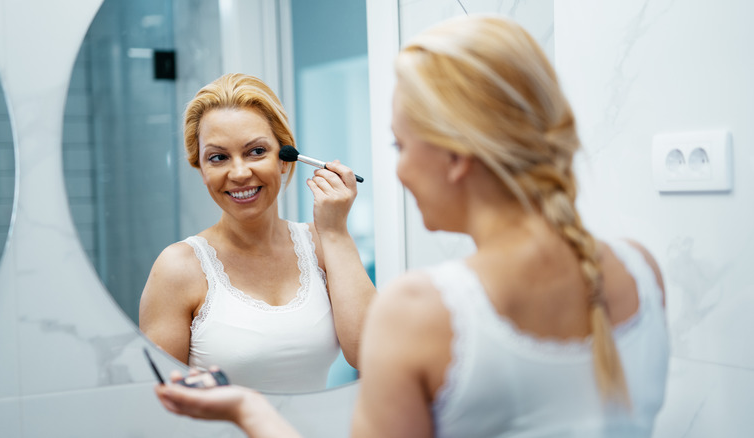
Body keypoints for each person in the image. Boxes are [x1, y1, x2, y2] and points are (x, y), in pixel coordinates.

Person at [154, 14, 670, 437]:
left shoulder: (424, 310)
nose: (397, 170)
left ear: (455, 157)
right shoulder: (641, 271)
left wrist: (247, 409)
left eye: (400, 145)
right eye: (218, 156)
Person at [139, 73, 376, 392]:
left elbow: (372, 354)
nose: (239, 173)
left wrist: (335, 231)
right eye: (218, 157)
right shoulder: (178, 268)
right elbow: (158, 404)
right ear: (202, 169)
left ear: (284, 158)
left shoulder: (323, 244)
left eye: (256, 151)